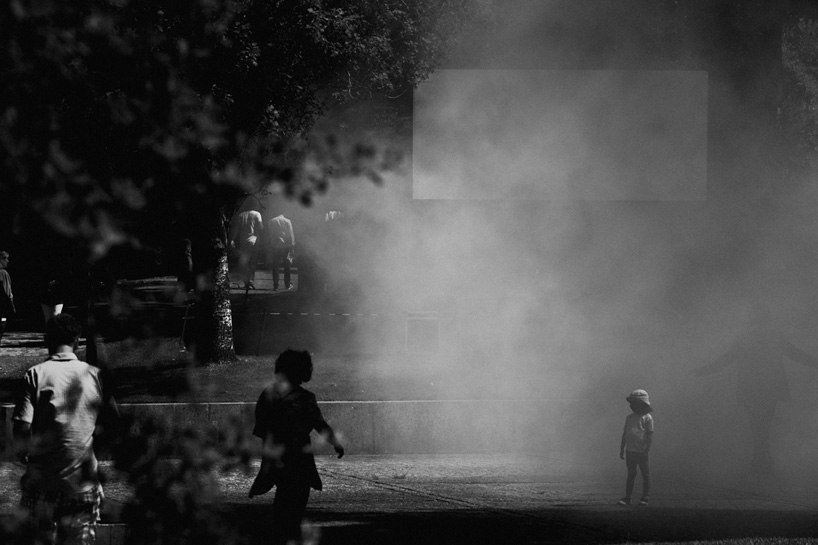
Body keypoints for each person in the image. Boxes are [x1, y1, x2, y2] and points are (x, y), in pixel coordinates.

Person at [12, 313, 118, 545]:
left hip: (43, 485)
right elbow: (112, 425)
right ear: (77, 342)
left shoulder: (35, 375)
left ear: (46, 339)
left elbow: (22, 427)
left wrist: (24, 455)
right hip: (83, 486)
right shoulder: (95, 376)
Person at [693, 302, 818, 475]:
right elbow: (795, 354)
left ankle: (760, 460)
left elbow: (726, 359)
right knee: (765, 423)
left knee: (756, 424)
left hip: (750, 388)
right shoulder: (775, 336)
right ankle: (763, 460)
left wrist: (703, 371)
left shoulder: (745, 337)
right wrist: (814, 362)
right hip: (771, 387)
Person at [249, 349, 344, 545]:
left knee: (282, 500)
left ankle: (281, 535)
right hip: (299, 455)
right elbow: (320, 424)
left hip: (276, 453)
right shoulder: (306, 398)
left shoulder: (268, 394)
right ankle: (290, 535)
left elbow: (260, 428)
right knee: (297, 500)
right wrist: (335, 443)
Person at [618, 389, 654, 507]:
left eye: (635, 403)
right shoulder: (629, 418)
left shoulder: (647, 418)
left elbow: (649, 435)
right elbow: (625, 434)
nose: (632, 406)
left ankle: (646, 497)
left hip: (642, 451)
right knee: (631, 474)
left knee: (645, 474)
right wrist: (622, 448)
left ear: (643, 404)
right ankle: (628, 497)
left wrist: (647, 450)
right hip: (630, 451)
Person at [230, 205, 264, 290]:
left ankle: (246, 282)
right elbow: (260, 228)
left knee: (244, 262)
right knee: (252, 262)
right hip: (253, 241)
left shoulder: (241, 215)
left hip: (243, 241)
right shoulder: (257, 214)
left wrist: (232, 239)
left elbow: (237, 229)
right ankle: (250, 281)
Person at [267, 214, 295, 291]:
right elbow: (290, 234)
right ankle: (287, 284)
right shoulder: (287, 221)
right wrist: (292, 247)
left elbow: (270, 234)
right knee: (287, 266)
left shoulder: (271, 221)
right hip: (285, 246)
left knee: (275, 265)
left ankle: (275, 285)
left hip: (275, 245)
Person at [0, 250, 15, 345]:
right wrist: (11, 305)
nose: (8, 261)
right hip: (2, 305)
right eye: (6, 259)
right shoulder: (3, 273)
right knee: (2, 323)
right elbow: (7, 291)